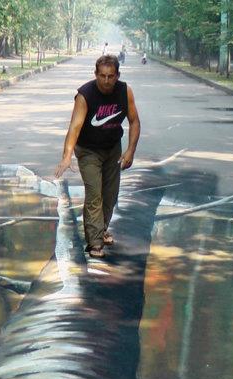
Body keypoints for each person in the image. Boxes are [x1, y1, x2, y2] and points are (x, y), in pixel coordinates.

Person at [55, 55, 141, 259]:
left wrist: (130, 150)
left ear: (117, 75)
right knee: (95, 194)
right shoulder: (85, 95)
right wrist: (67, 156)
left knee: (110, 194)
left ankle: (101, 229)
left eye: (111, 76)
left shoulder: (125, 91)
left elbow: (134, 121)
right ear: (96, 74)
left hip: (112, 148)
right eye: (102, 76)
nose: (106, 80)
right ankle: (95, 243)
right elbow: (75, 127)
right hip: (88, 150)